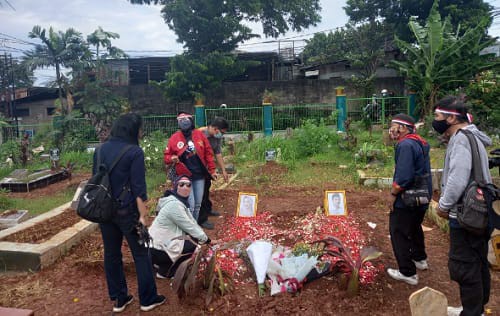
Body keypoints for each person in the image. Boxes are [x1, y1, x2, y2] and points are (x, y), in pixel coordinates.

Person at [96, 113, 165, 313]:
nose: (141, 132)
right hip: (128, 213)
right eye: (140, 129)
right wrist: (143, 217)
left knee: (111, 254)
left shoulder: (100, 150)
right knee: (141, 254)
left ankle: (119, 299)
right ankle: (148, 299)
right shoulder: (134, 152)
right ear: (132, 130)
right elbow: (138, 190)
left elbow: (97, 180)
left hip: (105, 212)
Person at [432, 96, 492, 316]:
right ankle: (475, 308)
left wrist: (443, 206)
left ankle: (472, 312)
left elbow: (458, 178)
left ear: (451, 118)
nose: (435, 121)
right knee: (477, 262)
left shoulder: (461, 139)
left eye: (438, 116)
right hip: (480, 213)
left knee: (464, 266)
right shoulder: (473, 136)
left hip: (466, 215)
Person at [386, 113, 432, 286]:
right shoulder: (420, 142)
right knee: (414, 227)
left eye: (394, 125)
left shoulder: (405, 145)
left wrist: (393, 194)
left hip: (407, 198)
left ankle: (408, 272)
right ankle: (419, 258)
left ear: (404, 128)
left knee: (398, 231)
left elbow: (404, 177)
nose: (391, 129)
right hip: (421, 197)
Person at [149, 175, 211, 278]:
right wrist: (206, 240)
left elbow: (192, 223)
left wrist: (204, 237)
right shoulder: (175, 205)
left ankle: (161, 264)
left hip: (155, 244)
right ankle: (166, 271)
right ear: (175, 187)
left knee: (191, 238)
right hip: (157, 248)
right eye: (181, 184)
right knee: (193, 244)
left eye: (188, 185)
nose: (185, 187)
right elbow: (190, 227)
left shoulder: (177, 202)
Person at [164, 112, 217, 222]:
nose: (184, 122)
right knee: (190, 205)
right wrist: (172, 158)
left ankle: (194, 229)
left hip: (199, 175)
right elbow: (166, 157)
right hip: (183, 176)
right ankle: (189, 230)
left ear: (191, 121)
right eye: (181, 120)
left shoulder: (199, 135)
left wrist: (212, 170)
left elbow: (208, 153)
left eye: (186, 119)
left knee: (197, 204)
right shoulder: (174, 138)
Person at [197, 117, 230, 230]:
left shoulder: (216, 138)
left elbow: (218, 153)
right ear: (216, 129)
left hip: (207, 168)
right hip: (197, 168)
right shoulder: (199, 134)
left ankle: (207, 210)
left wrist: (223, 171)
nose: (222, 135)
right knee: (199, 193)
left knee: (206, 188)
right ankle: (201, 219)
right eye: (222, 132)